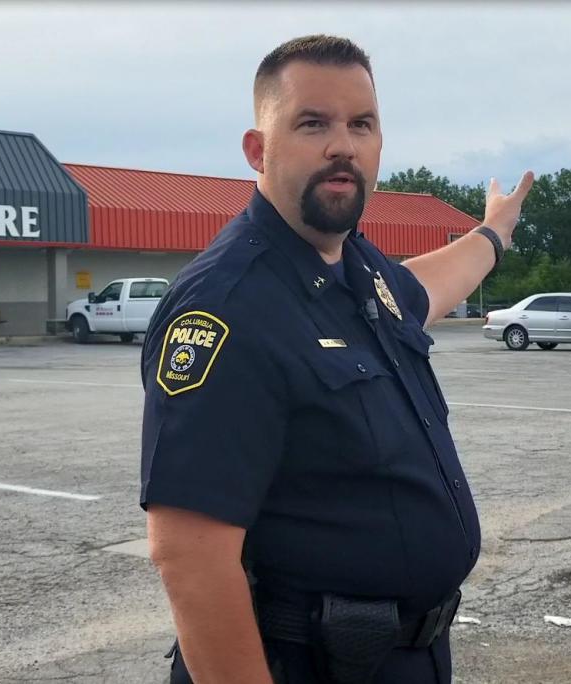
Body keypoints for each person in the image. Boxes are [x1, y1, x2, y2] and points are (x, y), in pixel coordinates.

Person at [141, 34, 533, 684]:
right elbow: (189, 557)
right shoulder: (226, 306)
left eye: (362, 124)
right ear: (257, 150)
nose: (342, 145)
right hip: (303, 662)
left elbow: (429, 286)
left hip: (401, 657)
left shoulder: (355, 267)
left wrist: (493, 233)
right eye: (313, 122)